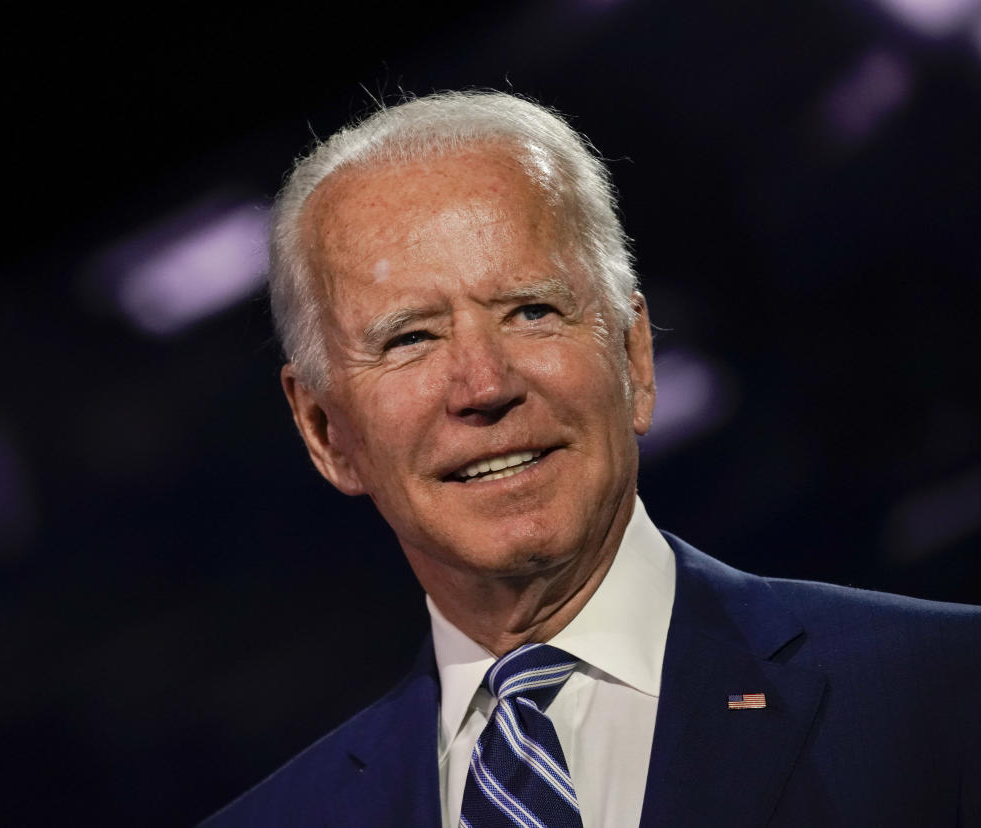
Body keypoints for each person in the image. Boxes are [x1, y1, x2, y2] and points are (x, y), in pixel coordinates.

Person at [203, 91, 981, 827]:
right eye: (410, 338)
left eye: (531, 311)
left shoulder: (948, 689)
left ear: (634, 356)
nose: (484, 385)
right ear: (323, 428)